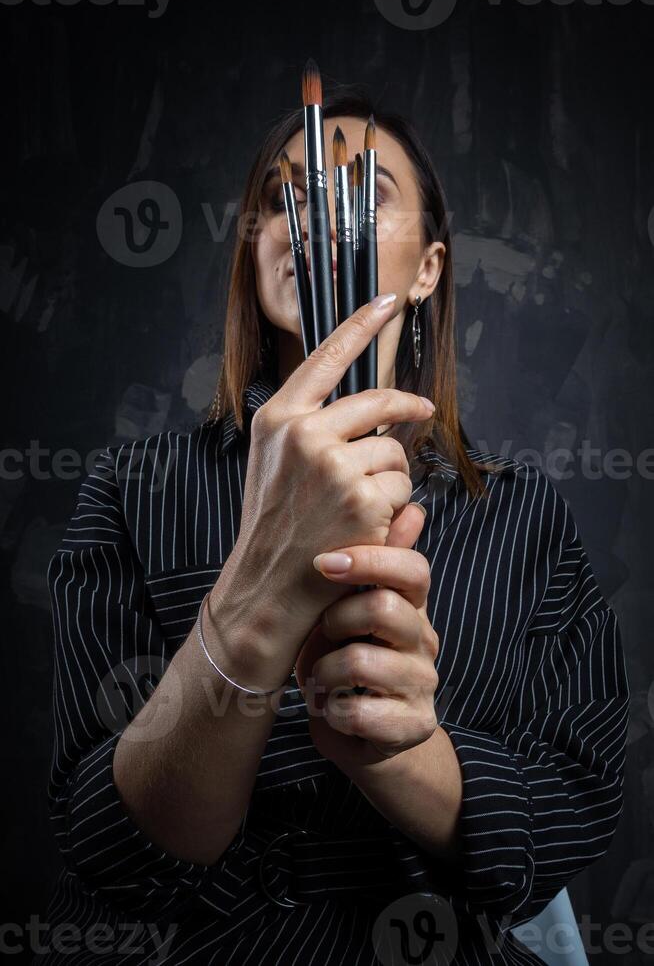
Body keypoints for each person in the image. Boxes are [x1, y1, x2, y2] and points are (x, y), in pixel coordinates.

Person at [38, 92, 630, 965]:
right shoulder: (134, 488)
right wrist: (259, 599)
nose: (316, 218)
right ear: (254, 253)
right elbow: (105, 844)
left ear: (428, 268)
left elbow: (565, 813)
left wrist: (397, 749)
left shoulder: (524, 516)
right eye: (287, 200)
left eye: (367, 191)